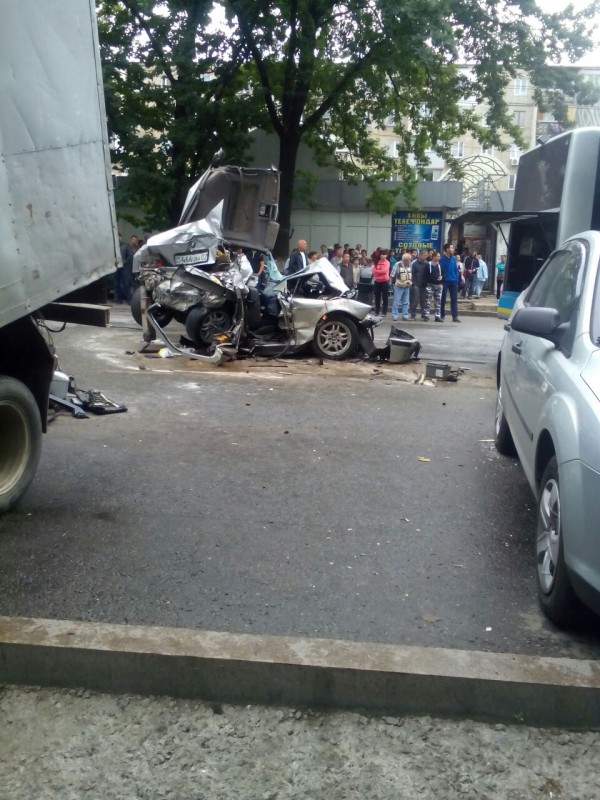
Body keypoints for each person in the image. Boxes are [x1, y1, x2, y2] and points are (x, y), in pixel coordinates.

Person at [440, 243, 461, 322]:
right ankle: (442, 315)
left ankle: (455, 316)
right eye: (451, 248)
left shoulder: (453, 258)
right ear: (447, 249)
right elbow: (440, 270)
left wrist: (456, 280)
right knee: (443, 299)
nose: (453, 249)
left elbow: (455, 270)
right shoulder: (441, 259)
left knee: (454, 300)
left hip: (453, 281)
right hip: (445, 281)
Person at [409, 249, 430, 320]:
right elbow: (411, 274)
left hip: (424, 285)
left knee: (424, 300)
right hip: (416, 284)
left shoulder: (427, 264)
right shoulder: (414, 263)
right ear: (420, 255)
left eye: (426, 255)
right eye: (424, 255)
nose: (426, 257)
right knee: (415, 300)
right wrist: (413, 284)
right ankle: (413, 314)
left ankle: (424, 315)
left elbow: (428, 274)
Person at [391, 252, 412, 321]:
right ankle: (394, 315)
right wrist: (393, 284)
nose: (410, 261)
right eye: (409, 259)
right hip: (398, 286)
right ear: (405, 260)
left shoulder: (410, 265)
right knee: (396, 302)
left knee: (406, 302)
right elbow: (392, 275)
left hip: (407, 286)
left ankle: (405, 316)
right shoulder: (397, 264)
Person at [425, 250, 444, 322]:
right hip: (430, 285)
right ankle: (426, 315)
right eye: (437, 256)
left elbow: (443, 273)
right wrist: (430, 281)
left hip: (439, 285)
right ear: (433, 257)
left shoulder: (440, 265)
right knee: (427, 301)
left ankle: (437, 316)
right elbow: (425, 275)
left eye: (439, 256)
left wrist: (442, 277)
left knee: (438, 301)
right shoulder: (428, 265)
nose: (439, 258)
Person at [372, 249, 390, 315]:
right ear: (380, 255)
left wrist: (377, 271)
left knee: (385, 297)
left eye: (385, 254)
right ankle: (377, 311)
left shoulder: (387, 262)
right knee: (377, 297)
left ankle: (384, 312)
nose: (384, 256)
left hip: (384, 281)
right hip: (377, 281)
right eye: (382, 254)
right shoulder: (376, 261)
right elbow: (373, 271)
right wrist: (379, 272)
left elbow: (384, 271)